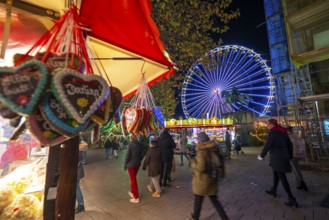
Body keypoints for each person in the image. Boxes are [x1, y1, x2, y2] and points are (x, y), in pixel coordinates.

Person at [258, 119, 298, 208]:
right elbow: (289, 144)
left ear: (272, 124)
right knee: (276, 172)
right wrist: (290, 155)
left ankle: (291, 198)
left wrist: (262, 155)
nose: (267, 126)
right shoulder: (283, 131)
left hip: (277, 156)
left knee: (282, 177)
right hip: (284, 154)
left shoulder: (273, 132)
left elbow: (268, 144)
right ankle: (274, 189)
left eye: (267, 124)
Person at [190, 132, 228, 220]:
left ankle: (195, 217)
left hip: (202, 181)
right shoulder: (214, 147)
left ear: (200, 141)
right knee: (215, 201)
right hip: (212, 179)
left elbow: (201, 167)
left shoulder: (202, 150)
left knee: (198, 200)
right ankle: (225, 217)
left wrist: (193, 163)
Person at [287, 126, 308, 191]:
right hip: (298, 155)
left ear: (289, 131)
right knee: (296, 169)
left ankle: (302, 183)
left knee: (296, 170)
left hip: (293, 156)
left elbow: (292, 147)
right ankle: (299, 183)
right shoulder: (296, 136)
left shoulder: (290, 137)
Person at [124, 134, 143, 203]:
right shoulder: (140, 144)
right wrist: (139, 161)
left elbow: (127, 156)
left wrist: (125, 165)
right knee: (133, 178)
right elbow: (142, 155)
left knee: (133, 180)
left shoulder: (130, 145)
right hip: (137, 164)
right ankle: (132, 192)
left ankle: (136, 197)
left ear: (131, 138)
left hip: (131, 165)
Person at [75, 140, 86, 214]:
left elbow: (77, 160)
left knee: (76, 187)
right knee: (76, 187)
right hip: (77, 171)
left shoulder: (78, 149)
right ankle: (80, 204)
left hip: (76, 172)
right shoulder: (79, 148)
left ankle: (81, 205)